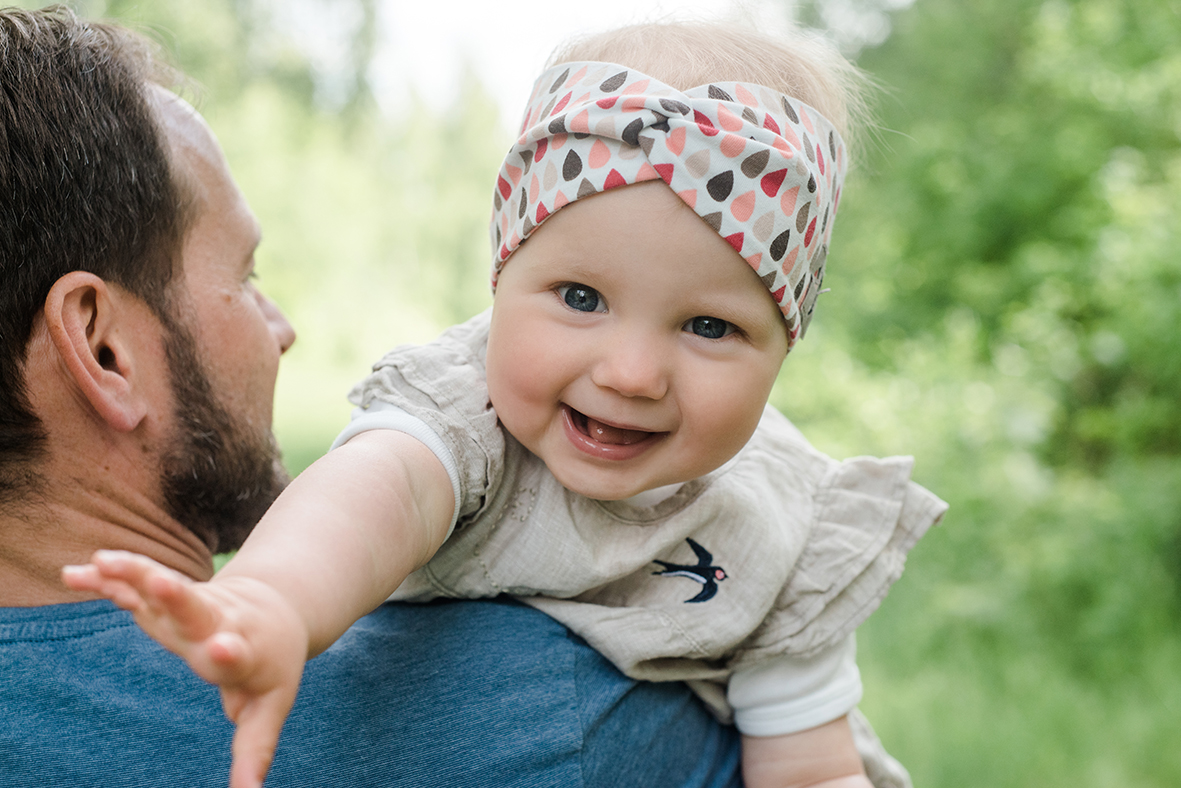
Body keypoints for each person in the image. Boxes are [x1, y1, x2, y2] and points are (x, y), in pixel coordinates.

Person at [68, 20, 946, 788]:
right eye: (579, 298)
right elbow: (377, 498)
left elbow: (812, 765)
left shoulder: (781, 521)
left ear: (785, 345)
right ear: (500, 281)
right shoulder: (465, 414)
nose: (633, 372)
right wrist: (270, 605)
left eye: (709, 325)